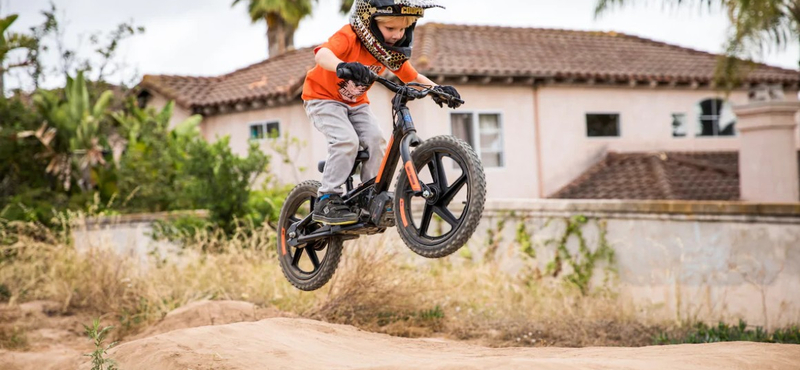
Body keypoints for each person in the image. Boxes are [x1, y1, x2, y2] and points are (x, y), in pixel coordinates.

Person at [301, 0, 461, 225]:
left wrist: (437, 89)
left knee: (376, 140)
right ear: (370, 24)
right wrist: (340, 66)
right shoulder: (350, 36)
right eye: (390, 28)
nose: (397, 35)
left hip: (356, 104)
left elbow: (412, 77)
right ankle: (327, 198)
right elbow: (322, 54)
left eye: (403, 29)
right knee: (347, 141)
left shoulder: (387, 53)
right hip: (323, 99)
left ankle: (368, 195)